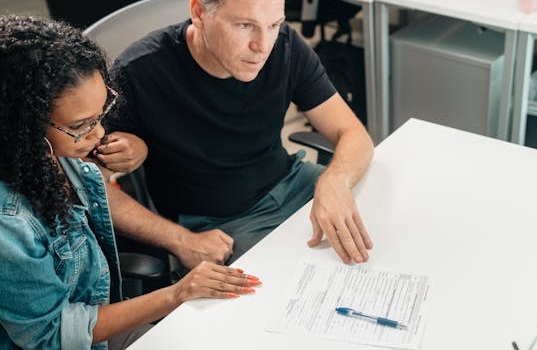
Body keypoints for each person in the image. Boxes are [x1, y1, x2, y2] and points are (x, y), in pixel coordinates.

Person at [0, 15, 260, 349]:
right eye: (80, 125)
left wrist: (129, 152)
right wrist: (176, 294)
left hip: (100, 322)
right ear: (22, 126)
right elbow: (51, 335)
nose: (99, 133)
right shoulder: (9, 222)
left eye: (101, 113)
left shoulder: (54, 155)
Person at [106, 0, 375, 264]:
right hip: (218, 225)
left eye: (273, 25)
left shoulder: (286, 45)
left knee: (380, 227)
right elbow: (89, 186)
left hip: (293, 183)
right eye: (245, 25)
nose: (262, 46)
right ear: (199, 12)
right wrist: (180, 240)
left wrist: (335, 181)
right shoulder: (138, 71)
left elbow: (352, 132)